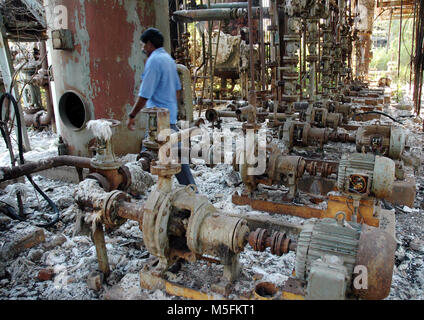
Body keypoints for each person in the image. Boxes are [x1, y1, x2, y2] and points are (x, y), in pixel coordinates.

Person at [127, 27, 196, 186]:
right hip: (169, 117)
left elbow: (144, 94)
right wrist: (169, 108)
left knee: (159, 155)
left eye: (143, 45)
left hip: (157, 121)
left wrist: (132, 116)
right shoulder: (169, 60)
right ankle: (189, 190)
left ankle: (133, 185)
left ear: (150, 44)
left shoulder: (153, 61)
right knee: (173, 154)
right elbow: (178, 90)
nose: (143, 48)